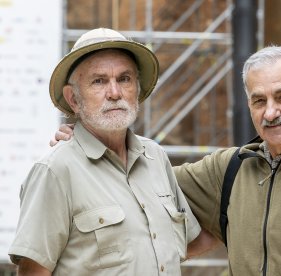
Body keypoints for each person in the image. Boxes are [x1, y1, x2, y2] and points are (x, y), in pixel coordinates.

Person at [52, 45, 281, 275]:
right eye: (259, 101)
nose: (271, 112)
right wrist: (87, 142)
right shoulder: (230, 169)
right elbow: (136, 179)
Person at [9, 28, 208, 276]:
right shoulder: (55, 170)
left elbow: (184, 245)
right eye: (99, 81)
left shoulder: (155, 157)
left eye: (124, 79)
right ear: (73, 99)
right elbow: (33, 272)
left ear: (136, 88)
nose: (114, 93)